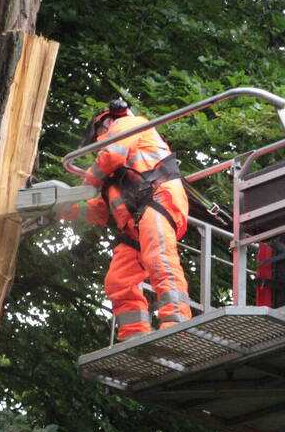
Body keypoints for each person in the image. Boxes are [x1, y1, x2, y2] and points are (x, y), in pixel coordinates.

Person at [61, 99, 191, 340]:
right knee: (117, 281)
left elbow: (113, 155)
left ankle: (177, 322)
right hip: (135, 225)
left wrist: (87, 184)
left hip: (159, 199)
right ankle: (134, 334)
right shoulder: (112, 178)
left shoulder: (128, 125)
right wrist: (56, 207)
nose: (97, 148)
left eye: (98, 137)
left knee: (159, 258)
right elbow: (99, 210)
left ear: (106, 124)